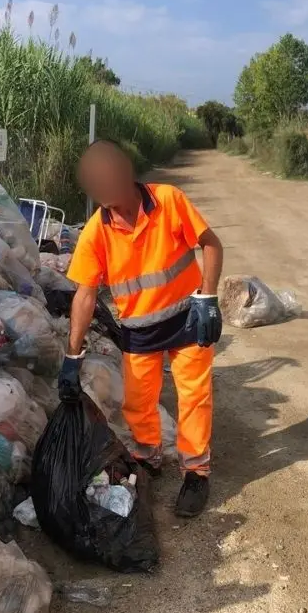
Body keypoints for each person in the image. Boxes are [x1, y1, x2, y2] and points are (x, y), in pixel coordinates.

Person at [59, 140, 225, 518]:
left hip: (187, 318)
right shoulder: (96, 233)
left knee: (194, 396)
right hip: (140, 331)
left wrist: (208, 297)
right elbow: (85, 295)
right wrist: (72, 355)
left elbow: (211, 245)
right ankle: (149, 456)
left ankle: (196, 471)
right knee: (137, 403)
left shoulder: (168, 201)